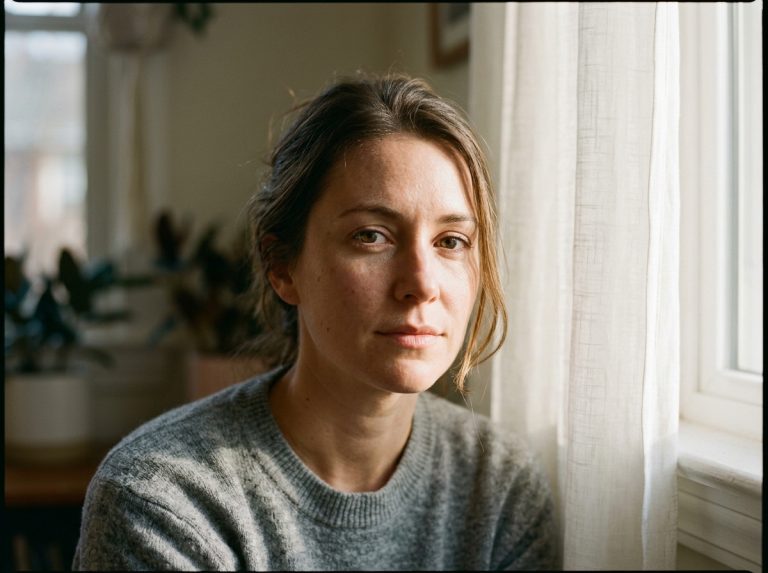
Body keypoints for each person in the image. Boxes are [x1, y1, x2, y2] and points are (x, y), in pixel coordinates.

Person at [73, 73, 557, 570]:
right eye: (372, 236)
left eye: (451, 241)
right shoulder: (164, 499)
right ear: (282, 266)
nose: (422, 282)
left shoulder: (498, 487)